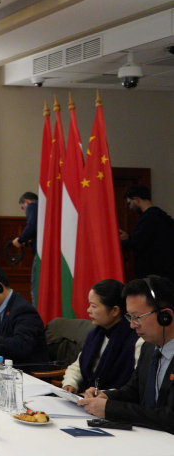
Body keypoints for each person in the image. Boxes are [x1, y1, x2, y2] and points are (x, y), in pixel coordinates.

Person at [79, 276, 174, 434]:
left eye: (137, 317)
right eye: (130, 317)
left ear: (165, 316)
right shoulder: (148, 347)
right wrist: (106, 396)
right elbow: (134, 391)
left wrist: (111, 409)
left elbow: (170, 417)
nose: (132, 325)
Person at [62, 279, 141, 394]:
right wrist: (70, 383)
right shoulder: (95, 334)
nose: (88, 310)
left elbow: (135, 385)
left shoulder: (136, 340)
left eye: (94, 306)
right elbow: (78, 366)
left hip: (114, 401)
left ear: (115, 310)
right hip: (90, 397)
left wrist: (100, 396)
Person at [120, 185, 174, 280]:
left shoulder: (148, 218)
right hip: (165, 271)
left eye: (129, 203)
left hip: (153, 273)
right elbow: (148, 240)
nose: (130, 207)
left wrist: (122, 241)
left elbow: (137, 244)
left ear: (136, 199)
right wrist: (129, 238)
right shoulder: (160, 215)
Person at [13, 192, 39, 302]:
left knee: (35, 288)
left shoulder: (32, 205)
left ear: (26, 202)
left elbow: (32, 226)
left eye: (22, 207)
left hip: (41, 254)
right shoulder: (44, 207)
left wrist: (20, 240)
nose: (24, 211)